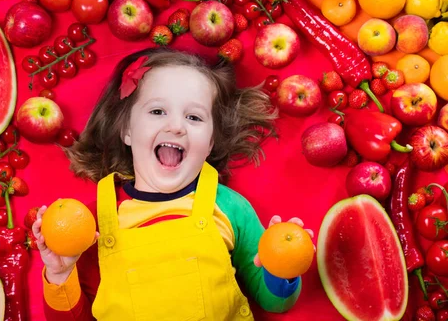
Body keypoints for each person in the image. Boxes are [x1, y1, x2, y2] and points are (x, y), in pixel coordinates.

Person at [33, 47, 311, 320]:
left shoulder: (229, 207)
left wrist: (281, 266)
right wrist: (60, 273)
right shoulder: (94, 221)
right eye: (157, 111)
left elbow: (274, 303)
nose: (176, 126)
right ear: (127, 130)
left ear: (210, 142)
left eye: (194, 117)